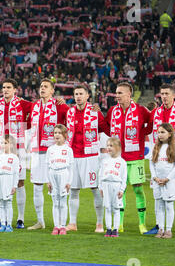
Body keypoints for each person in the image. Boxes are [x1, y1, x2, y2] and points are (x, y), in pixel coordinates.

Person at [105, 82, 152, 234]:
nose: (117, 96)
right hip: (119, 159)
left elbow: (151, 123)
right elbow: (105, 126)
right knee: (121, 191)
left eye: (120, 93)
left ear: (129, 94)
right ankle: (120, 224)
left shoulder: (140, 110)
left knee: (138, 189)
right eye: (116, 93)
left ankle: (142, 223)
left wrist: (141, 133)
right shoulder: (112, 111)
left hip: (135, 157)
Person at [147, 84, 175, 236]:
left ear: (174, 96)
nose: (164, 96)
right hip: (159, 158)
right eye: (162, 93)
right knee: (158, 194)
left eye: (167, 93)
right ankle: (159, 225)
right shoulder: (155, 113)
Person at [66, 84, 109, 233]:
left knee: (95, 189)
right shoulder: (70, 112)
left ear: (87, 96)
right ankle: (72, 223)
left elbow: (106, 129)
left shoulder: (94, 112)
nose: (78, 96)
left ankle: (99, 223)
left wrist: (101, 115)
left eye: (81, 94)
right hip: (74, 156)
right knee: (73, 190)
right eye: (76, 94)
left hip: (90, 157)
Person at [0, 78, 32, 229]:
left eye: (9, 87)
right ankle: (3, 219)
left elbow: (39, 107)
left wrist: (58, 101)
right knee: (1, 180)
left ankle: (20, 218)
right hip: (2, 148)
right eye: (3, 87)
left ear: (16, 90)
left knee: (19, 182)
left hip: (18, 148)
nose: (5, 90)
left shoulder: (23, 104)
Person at [28, 78, 69, 230]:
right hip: (37, 151)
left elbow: (70, 118)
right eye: (41, 86)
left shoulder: (59, 106)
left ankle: (60, 223)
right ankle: (40, 221)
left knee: (57, 188)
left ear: (52, 91)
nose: (42, 88)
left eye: (46, 86)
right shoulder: (34, 106)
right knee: (37, 186)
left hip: (53, 152)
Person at [149, 123, 175, 239]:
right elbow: (151, 163)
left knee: (168, 206)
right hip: (157, 182)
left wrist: (167, 178)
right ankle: (160, 229)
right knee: (159, 206)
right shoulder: (156, 146)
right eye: (158, 132)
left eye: (163, 132)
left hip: (169, 182)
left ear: (170, 134)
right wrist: (155, 177)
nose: (160, 134)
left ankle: (168, 230)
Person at [46, 124, 73, 236]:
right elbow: (47, 166)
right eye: (55, 133)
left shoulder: (68, 149)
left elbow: (71, 168)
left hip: (63, 174)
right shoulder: (50, 149)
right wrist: (48, 181)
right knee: (55, 202)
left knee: (62, 202)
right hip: (53, 174)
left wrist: (69, 182)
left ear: (64, 135)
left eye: (59, 133)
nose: (56, 135)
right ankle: (56, 225)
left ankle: (63, 226)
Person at [98, 137, 127, 238]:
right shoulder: (105, 161)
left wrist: (122, 189)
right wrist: (100, 187)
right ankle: (108, 228)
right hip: (106, 185)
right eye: (108, 145)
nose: (109, 148)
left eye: (111, 146)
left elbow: (124, 177)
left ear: (118, 147)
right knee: (108, 208)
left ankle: (115, 229)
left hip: (116, 185)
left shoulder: (122, 162)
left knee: (116, 208)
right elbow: (100, 175)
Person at [0, 134, 20, 233]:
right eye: (2, 143)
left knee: (8, 202)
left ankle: (9, 225)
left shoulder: (14, 158)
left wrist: (14, 185)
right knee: (0, 203)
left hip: (8, 180)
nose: (3, 145)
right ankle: (3, 224)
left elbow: (16, 173)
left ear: (11, 145)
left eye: (6, 143)